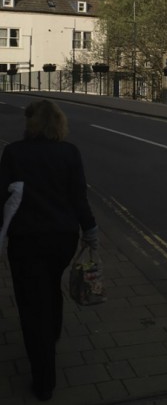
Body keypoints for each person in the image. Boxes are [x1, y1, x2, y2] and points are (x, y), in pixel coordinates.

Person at [1, 100, 98, 402]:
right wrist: (90, 229)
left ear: (30, 123)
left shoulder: (14, 153)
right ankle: (53, 330)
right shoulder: (69, 153)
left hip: (26, 240)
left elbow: (3, 196)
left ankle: (44, 381)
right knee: (51, 283)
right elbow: (78, 196)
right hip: (62, 238)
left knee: (32, 306)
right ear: (58, 123)